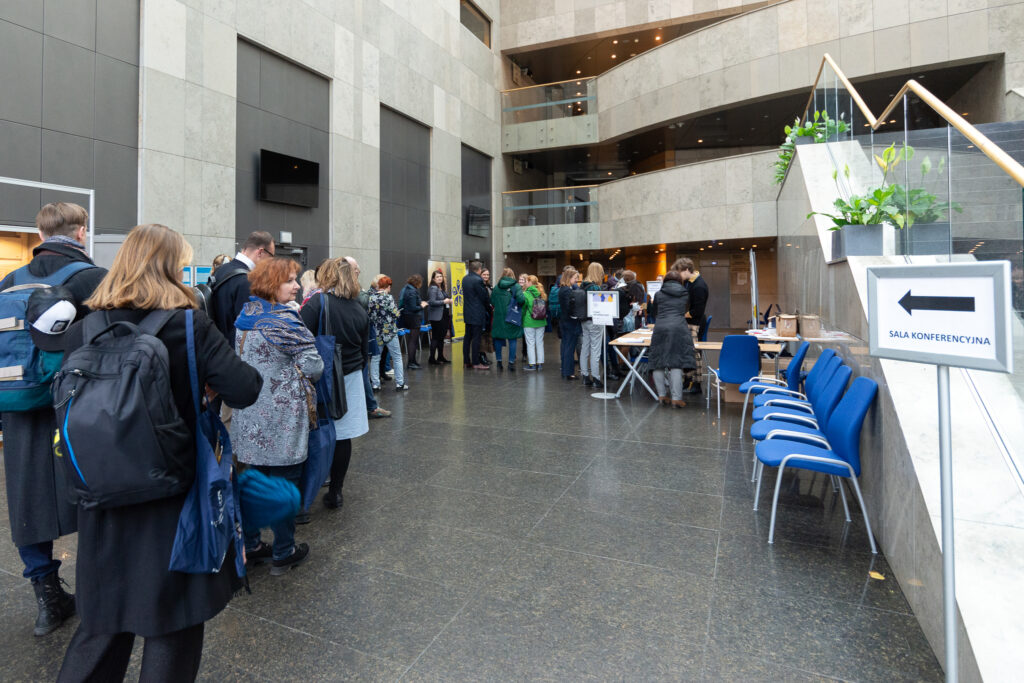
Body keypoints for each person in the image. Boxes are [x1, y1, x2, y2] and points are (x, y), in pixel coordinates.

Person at [56, 224, 262, 681]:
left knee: (102, 623)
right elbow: (246, 388)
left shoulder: (86, 326)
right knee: (173, 624)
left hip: (101, 490)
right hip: (172, 495)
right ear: (171, 267)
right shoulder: (189, 324)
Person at [0, 202, 106, 637]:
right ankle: (101, 590)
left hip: (17, 402)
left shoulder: (8, 282)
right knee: (95, 488)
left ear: (40, 232)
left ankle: (47, 596)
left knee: (26, 495)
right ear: (80, 232)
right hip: (77, 403)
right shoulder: (92, 278)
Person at [231, 257, 323, 575]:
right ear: (273, 285)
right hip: (281, 417)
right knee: (284, 482)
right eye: (290, 280)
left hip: (248, 413)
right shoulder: (285, 321)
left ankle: (252, 544)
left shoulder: (246, 315)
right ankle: (284, 550)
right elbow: (315, 367)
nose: (297, 286)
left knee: (252, 481)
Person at [300, 258, 370, 510]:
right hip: (350, 378)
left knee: (316, 431)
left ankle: (309, 488)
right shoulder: (359, 308)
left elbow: (299, 336)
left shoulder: (318, 302)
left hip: (322, 376)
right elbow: (365, 350)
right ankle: (336, 491)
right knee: (343, 436)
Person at [208, 231, 275, 347]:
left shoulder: (221, 271)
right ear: (260, 252)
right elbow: (249, 334)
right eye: (271, 257)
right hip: (234, 356)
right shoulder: (248, 281)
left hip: (217, 349)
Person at [647, 270, 697, 408]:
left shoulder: (658, 294)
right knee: (676, 362)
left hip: (661, 327)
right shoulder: (685, 294)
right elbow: (685, 309)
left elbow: (654, 312)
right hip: (678, 328)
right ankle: (676, 399)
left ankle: (662, 395)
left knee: (658, 361)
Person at [673, 257, 709, 394]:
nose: (679, 276)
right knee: (687, 353)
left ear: (687, 270)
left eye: (680, 273)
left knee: (694, 354)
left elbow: (697, 311)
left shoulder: (699, 285)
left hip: (695, 323)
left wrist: (681, 314)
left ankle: (697, 384)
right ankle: (687, 380)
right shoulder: (689, 282)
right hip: (689, 323)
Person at [368, 276, 408, 391]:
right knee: (397, 357)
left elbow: (370, 316)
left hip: (377, 332)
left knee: (375, 358)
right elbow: (395, 314)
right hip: (390, 333)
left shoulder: (371, 298)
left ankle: (375, 384)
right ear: (388, 286)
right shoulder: (388, 298)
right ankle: (400, 384)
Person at [490, 268, 525, 372]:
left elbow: (492, 301)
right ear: (512, 275)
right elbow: (521, 300)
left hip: (498, 317)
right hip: (511, 316)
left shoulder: (496, 287)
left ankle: (499, 362)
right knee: (512, 339)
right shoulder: (516, 286)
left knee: (498, 338)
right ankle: (510, 363)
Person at [579, 262, 605, 387]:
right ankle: (596, 378)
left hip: (584, 320)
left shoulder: (582, 286)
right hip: (595, 320)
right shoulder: (595, 287)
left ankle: (585, 376)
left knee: (585, 348)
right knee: (595, 349)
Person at [461, 260, 489, 369]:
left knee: (467, 337)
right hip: (477, 313)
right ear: (479, 269)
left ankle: (466, 361)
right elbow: (483, 297)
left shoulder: (465, 278)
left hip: (467, 312)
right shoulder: (478, 280)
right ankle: (476, 363)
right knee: (476, 339)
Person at [398, 274, 428, 369]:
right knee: (413, 341)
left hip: (409, 317)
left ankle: (413, 361)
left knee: (412, 340)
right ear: (417, 282)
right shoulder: (412, 291)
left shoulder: (407, 289)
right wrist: (422, 305)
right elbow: (413, 307)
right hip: (413, 318)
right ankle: (411, 363)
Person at [558, 267, 581, 380]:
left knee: (566, 346)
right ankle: (568, 372)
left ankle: (565, 370)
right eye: (575, 278)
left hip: (565, 321)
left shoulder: (563, 289)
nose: (576, 280)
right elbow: (569, 307)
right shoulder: (567, 290)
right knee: (569, 347)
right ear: (570, 277)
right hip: (570, 322)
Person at [426, 268, 453, 364]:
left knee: (441, 337)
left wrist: (449, 301)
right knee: (436, 337)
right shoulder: (433, 288)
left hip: (444, 315)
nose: (439, 278)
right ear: (433, 279)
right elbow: (432, 302)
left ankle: (440, 356)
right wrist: (444, 301)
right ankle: (432, 358)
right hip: (437, 316)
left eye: (441, 276)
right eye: (437, 277)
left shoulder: (441, 288)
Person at [522, 274, 547, 371]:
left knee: (530, 343)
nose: (525, 283)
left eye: (526, 281)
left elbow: (524, 308)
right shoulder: (541, 293)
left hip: (529, 321)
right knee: (539, 342)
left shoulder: (526, 294)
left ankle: (532, 364)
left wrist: (522, 318)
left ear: (529, 282)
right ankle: (540, 363)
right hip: (541, 321)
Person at [479, 267, 494, 365]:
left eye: (487, 275)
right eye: (484, 274)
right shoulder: (479, 285)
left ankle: (485, 355)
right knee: (482, 335)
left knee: (487, 334)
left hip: (489, 313)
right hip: (482, 313)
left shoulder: (489, 286)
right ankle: (481, 356)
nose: (486, 276)